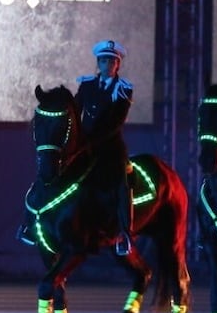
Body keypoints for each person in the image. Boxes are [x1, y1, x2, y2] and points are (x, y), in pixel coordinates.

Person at [20, 39, 134, 256]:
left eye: (111, 61)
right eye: (103, 61)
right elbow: (76, 109)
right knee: (51, 170)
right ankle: (28, 223)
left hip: (110, 146)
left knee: (122, 180)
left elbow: (117, 121)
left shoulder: (123, 89)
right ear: (98, 63)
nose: (107, 65)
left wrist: (93, 140)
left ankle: (124, 233)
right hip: (84, 143)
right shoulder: (87, 85)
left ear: (117, 64)